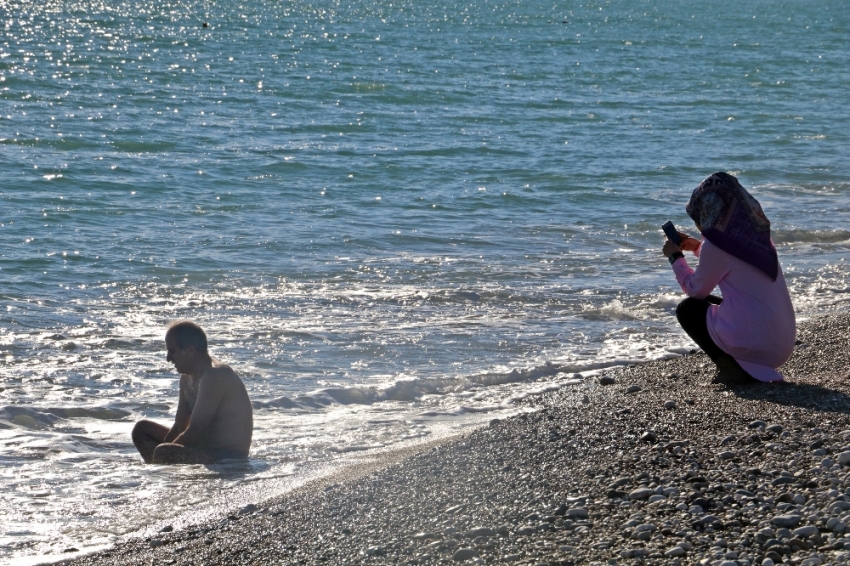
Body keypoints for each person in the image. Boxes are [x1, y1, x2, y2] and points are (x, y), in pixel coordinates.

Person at [662, 172, 796, 385]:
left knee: (689, 309)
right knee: (722, 300)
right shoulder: (757, 237)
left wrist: (675, 258)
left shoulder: (717, 246)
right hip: (782, 345)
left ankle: (731, 369)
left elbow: (696, 290)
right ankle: (743, 365)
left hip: (757, 344)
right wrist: (698, 247)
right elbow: (733, 264)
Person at [132, 321, 253, 464]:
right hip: (203, 449)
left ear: (190, 351)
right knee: (142, 430)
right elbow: (179, 426)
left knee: (163, 452)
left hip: (228, 456)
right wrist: (162, 451)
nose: (168, 358)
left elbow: (194, 432)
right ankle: (159, 474)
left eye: (172, 351)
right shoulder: (186, 378)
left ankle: (158, 471)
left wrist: (163, 452)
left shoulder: (215, 376)